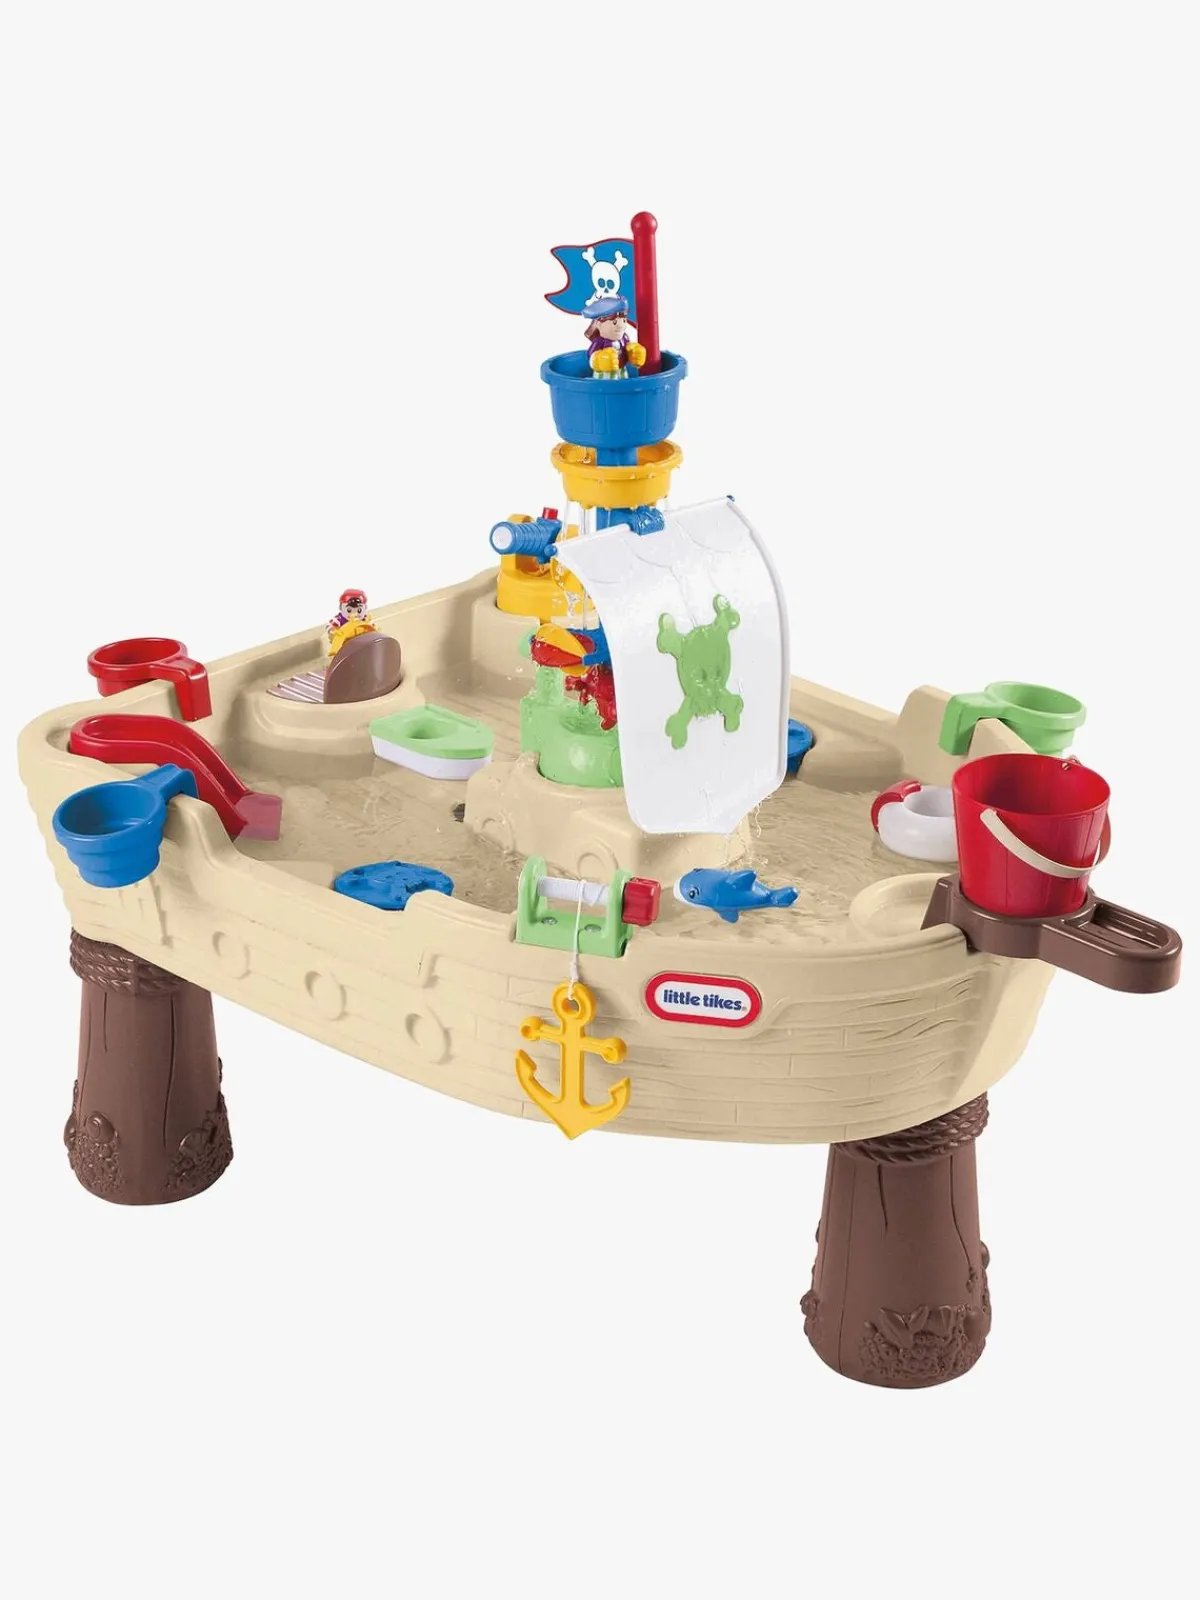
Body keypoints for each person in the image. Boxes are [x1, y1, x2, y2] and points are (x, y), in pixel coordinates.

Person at [584, 296, 646, 377]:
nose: (620, 326)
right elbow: (590, 356)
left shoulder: (624, 338)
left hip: (622, 372)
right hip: (604, 376)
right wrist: (599, 361)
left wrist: (634, 354)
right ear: (599, 324)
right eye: (614, 322)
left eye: (623, 321)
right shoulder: (599, 342)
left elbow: (627, 349)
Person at [325, 588, 376, 657]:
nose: (354, 614)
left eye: (359, 610)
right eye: (349, 610)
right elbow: (328, 626)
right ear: (341, 608)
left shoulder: (365, 619)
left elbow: (373, 628)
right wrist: (333, 631)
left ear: (365, 608)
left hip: (362, 644)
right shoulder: (339, 619)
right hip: (344, 646)